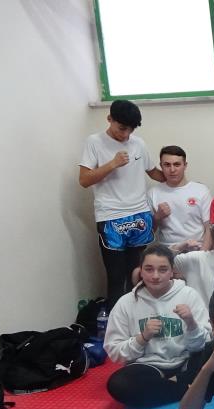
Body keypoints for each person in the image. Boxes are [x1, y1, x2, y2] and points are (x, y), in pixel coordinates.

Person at [78, 99, 165, 311]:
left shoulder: (139, 143)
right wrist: (112, 164)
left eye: (131, 129)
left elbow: (153, 172)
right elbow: (84, 180)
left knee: (138, 273)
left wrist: (175, 177)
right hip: (111, 217)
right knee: (116, 276)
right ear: (109, 119)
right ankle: (117, 324)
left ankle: (140, 318)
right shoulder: (94, 142)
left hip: (139, 214)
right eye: (122, 128)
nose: (126, 134)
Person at [103, 244, 210, 409]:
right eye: (149, 269)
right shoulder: (126, 303)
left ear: (172, 271)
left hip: (186, 362)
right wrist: (142, 338)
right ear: (140, 271)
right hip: (148, 366)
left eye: (162, 269)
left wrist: (191, 323)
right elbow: (115, 352)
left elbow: (202, 345)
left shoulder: (189, 295)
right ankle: (185, 389)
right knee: (118, 384)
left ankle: (171, 386)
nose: (155, 276)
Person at [148, 145, 212, 250]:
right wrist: (157, 217)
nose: (172, 169)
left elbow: (209, 228)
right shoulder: (153, 193)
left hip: (197, 248)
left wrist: (202, 254)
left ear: (185, 165)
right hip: (167, 252)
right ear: (161, 166)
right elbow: (148, 234)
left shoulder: (201, 190)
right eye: (167, 165)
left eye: (177, 164)